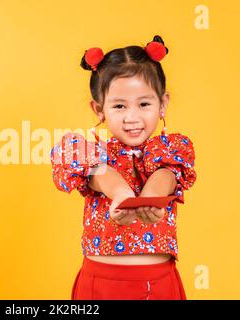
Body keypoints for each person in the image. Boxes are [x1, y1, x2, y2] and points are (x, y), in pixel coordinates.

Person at [50, 35, 197, 300]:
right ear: (99, 109)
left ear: (163, 104)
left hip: (159, 285)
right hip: (100, 287)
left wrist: (149, 201)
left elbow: (166, 176)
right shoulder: (93, 154)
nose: (132, 117)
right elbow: (100, 174)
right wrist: (121, 194)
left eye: (144, 104)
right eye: (119, 106)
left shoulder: (171, 150)